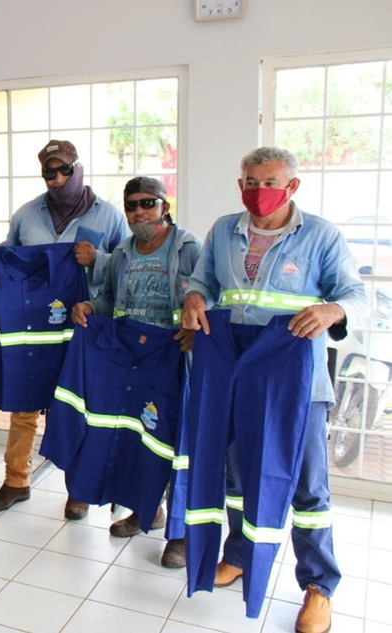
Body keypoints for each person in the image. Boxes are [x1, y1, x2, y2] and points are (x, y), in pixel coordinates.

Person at [181, 146, 366, 633]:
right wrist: (194, 297)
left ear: (292, 187)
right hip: (236, 374)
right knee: (239, 477)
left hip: (295, 381)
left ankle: (318, 585)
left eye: (269, 182)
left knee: (306, 484)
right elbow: (201, 282)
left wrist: (332, 311)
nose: (258, 192)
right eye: (249, 182)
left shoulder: (320, 235)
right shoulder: (224, 229)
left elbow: (356, 294)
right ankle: (239, 554)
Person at [0, 139, 131, 518]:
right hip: (34, 330)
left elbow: (128, 268)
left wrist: (98, 259)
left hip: (85, 326)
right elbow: (9, 260)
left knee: (80, 406)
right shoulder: (26, 215)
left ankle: (79, 489)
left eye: (65, 169)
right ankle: (16, 480)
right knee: (24, 404)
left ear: (78, 168)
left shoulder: (110, 216)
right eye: (49, 171)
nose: (57, 178)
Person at [71, 176, 201, 568]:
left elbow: (205, 294)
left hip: (176, 357)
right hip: (133, 359)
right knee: (141, 440)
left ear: (164, 206)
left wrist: (195, 331)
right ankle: (148, 512)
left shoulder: (188, 247)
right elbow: (108, 297)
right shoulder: (123, 253)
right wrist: (90, 307)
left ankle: (180, 536)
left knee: (177, 446)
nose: (139, 212)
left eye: (148, 203)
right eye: (131, 205)